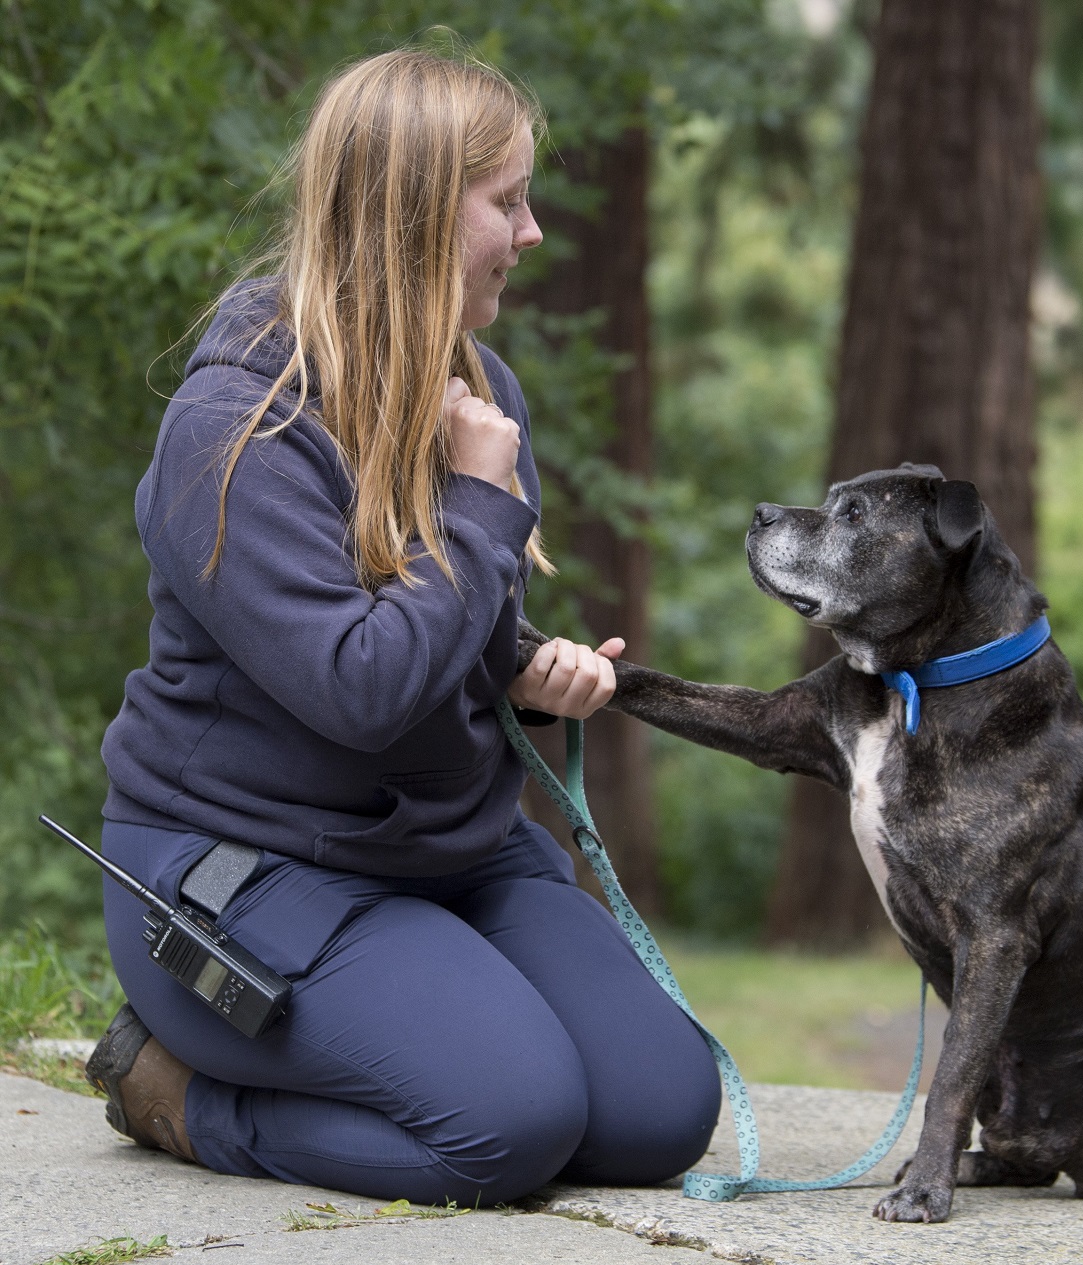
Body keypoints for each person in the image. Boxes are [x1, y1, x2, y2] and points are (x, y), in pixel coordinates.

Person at [86, 48, 721, 1206]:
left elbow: (455, 634)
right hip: (252, 869)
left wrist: (531, 668)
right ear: (417, 216)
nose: (530, 234)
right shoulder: (234, 430)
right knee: (510, 1127)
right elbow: (360, 687)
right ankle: (177, 1086)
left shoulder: (477, 389)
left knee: (658, 1111)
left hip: (450, 852)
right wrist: (482, 500)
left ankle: (429, 1025)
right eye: (507, 201)